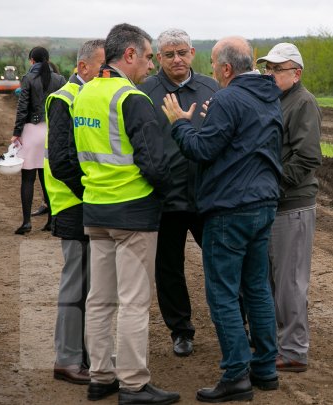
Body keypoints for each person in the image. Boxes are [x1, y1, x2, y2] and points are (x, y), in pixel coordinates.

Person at [162, 36, 282, 402]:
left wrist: (180, 123)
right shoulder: (270, 95)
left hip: (230, 208)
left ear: (227, 68)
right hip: (263, 204)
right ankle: (265, 368)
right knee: (257, 288)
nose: (212, 70)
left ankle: (235, 375)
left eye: (214, 64)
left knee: (223, 294)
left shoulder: (228, 98)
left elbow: (202, 149)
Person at [69, 23, 178, 404]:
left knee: (100, 300)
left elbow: (72, 156)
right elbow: (156, 163)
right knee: (134, 303)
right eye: (149, 56)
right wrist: (164, 195)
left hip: (96, 210)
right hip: (132, 215)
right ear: (129, 55)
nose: (151, 65)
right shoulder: (131, 99)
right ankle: (133, 384)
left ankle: (101, 377)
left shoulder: (83, 96)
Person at [138, 28, 219, 358]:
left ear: (192, 54)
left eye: (182, 52)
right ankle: (181, 330)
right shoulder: (145, 92)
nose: (177, 59)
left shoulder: (212, 88)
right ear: (159, 58)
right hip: (166, 197)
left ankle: (237, 321)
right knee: (168, 267)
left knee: (220, 261)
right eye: (169, 54)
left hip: (208, 195)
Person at [256, 43, 322, 372]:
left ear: (295, 73)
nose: (270, 74)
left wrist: (274, 186)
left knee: (290, 282)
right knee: (274, 279)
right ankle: (279, 343)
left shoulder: (303, 102)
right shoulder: (277, 100)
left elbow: (308, 156)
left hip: (292, 205)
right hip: (276, 204)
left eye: (276, 69)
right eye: (268, 68)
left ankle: (294, 350)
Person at [45, 39, 105, 386]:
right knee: (76, 285)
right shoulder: (66, 99)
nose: (105, 72)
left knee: (90, 286)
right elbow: (63, 159)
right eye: (100, 66)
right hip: (73, 205)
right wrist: (90, 193)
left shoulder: (85, 97)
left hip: (85, 202)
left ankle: (82, 353)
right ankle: (67, 359)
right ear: (83, 67)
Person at [11, 46, 66, 234]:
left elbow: (22, 107)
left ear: (32, 60)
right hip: (50, 132)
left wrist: (17, 132)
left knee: (28, 179)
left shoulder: (28, 78)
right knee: (47, 178)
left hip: (31, 131)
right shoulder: (59, 79)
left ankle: (26, 222)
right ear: (48, 59)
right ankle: (52, 220)